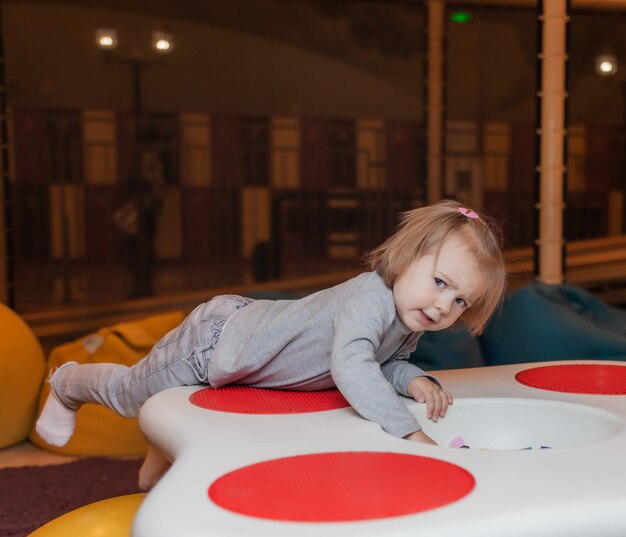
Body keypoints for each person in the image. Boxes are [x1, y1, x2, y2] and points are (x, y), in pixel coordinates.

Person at [36, 200, 506, 490]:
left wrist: (414, 378)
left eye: (461, 299)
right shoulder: (369, 298)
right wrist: (410, 432)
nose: (445, 304)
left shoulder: (409, 315)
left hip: (240, 358)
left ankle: (162, 452)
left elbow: (385, 364)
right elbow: (354, 367)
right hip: (212, 343)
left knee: (180, 410)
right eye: (441, 282)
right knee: (127, 397)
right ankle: (68, 382)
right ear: (405, 260)